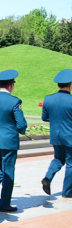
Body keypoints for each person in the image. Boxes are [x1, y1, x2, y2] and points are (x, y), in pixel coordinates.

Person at [0, 70, 28, 212]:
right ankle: (4, 203)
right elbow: (21, 124)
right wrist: (19, 130)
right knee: (8, 170)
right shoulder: (15, 101)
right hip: (8, 140)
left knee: (1, 165)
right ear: (11, 85)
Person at [41, 69, 72, 198]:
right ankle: (68, 192)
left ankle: (48, 177)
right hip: (70, 136)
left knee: (58, 158)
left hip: (56, 136)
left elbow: (44, 117)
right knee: (70, 163)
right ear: (70, 85)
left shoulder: (48, 99)